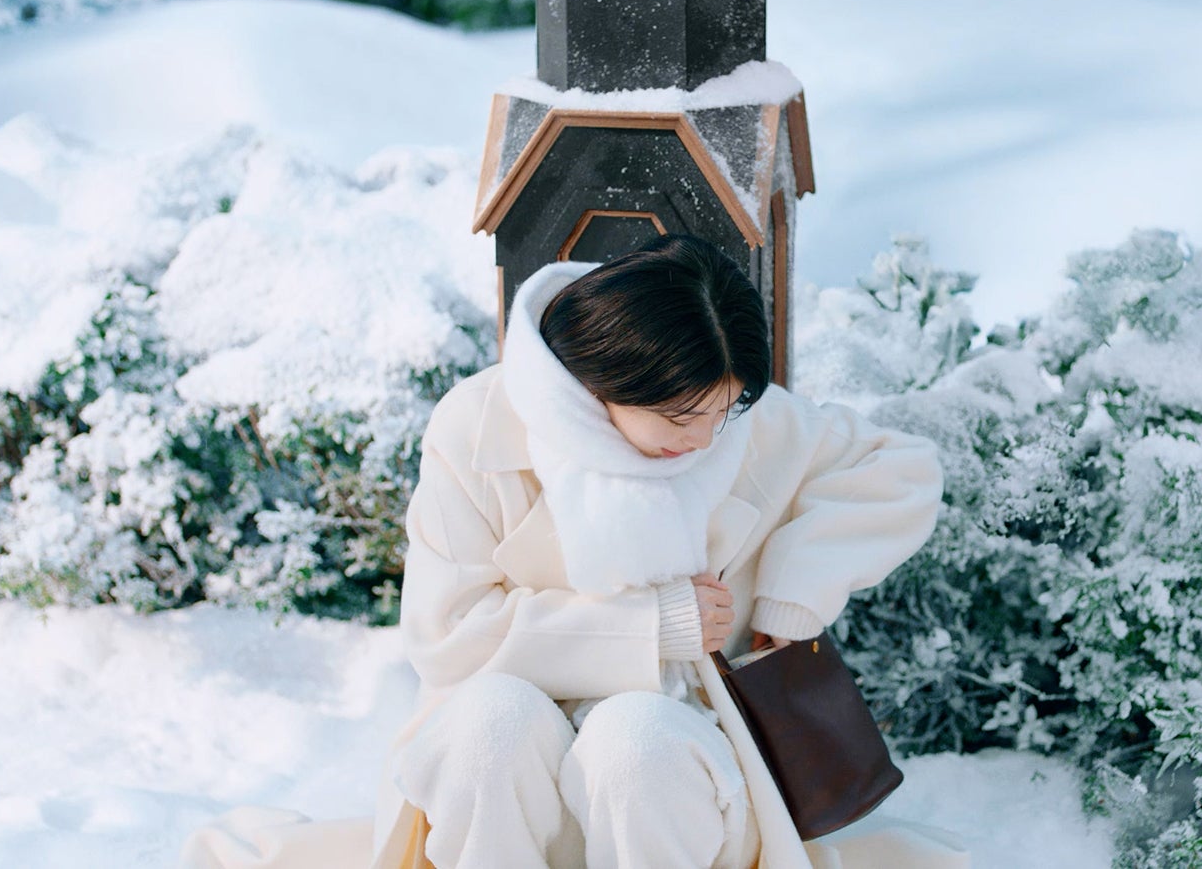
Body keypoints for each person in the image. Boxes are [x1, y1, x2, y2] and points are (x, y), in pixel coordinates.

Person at [371, 234, 945, 869]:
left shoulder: (737, 423)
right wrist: (652, 626)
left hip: (675, 767)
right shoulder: (478, 422)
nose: (702, 439)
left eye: (723, 412)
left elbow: (900, 470)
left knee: (637, 740)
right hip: (497, 770)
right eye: (677, 417)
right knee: (492, 724)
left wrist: (794, 595)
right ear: (601, 385)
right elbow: (447, 636)